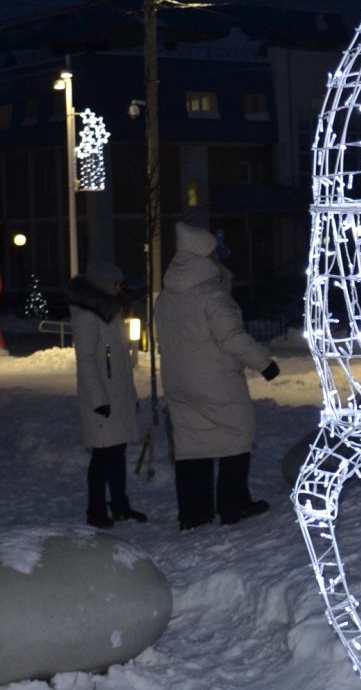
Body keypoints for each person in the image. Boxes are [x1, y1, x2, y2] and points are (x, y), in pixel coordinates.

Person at [155, 220, 280, 530]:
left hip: (179, 382)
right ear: (205, 256)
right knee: (238, 435)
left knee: (190, 443)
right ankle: (233, 503)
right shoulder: (212, 295)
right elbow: (231, 337)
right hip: (216, 381)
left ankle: (194, 512)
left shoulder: (165, 297)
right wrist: (264, 362)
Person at [69, 260, 148, 529]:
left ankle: (119, 505)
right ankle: (96, 510)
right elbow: (87, 361)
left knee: (116, 453)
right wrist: (99, 399)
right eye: (115, 283)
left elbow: (121, 363)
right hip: (103, 399)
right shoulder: (88, 315)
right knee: (102, 456)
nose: (118, 288)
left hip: (116, 395)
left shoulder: (109, 313)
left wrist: (130, 396)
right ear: (103, 285)